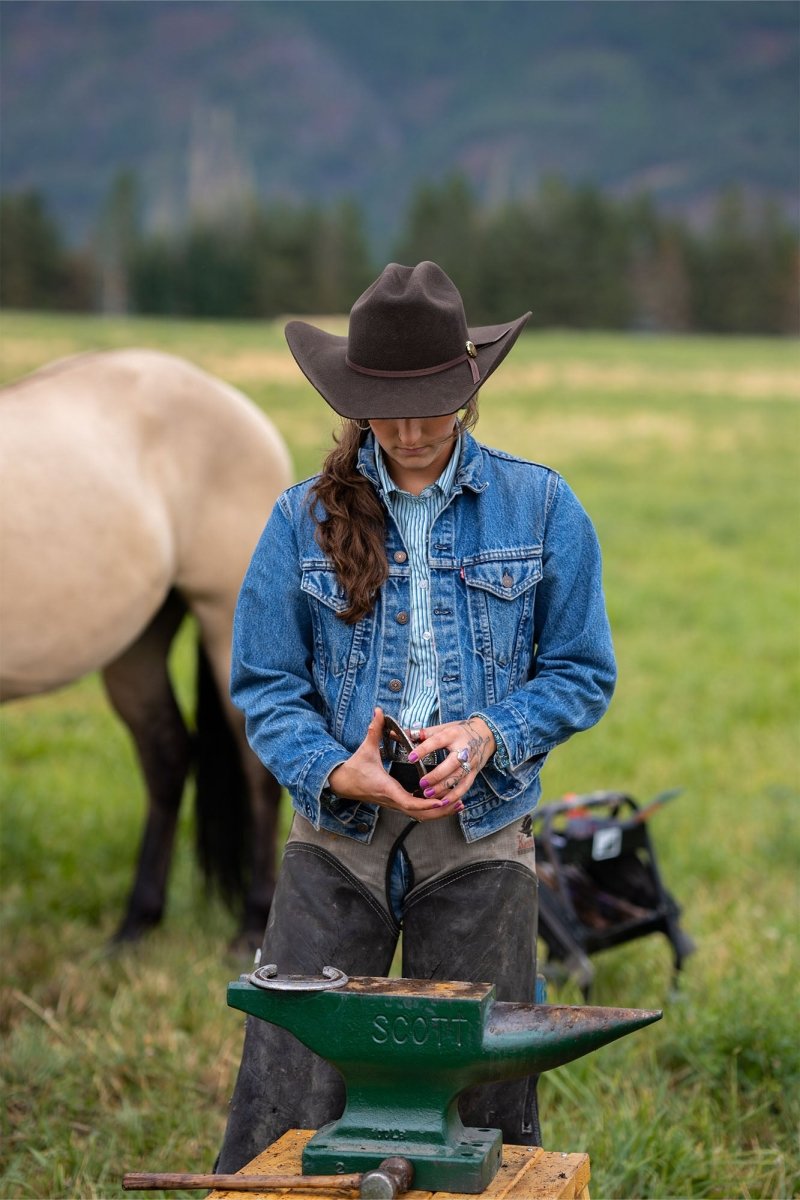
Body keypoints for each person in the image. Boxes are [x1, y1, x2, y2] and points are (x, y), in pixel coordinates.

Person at [216, 261, 616, 1171]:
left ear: (468, 389)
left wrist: (487, 735)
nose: (406, 430)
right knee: (290, 1083)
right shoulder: (298, 520)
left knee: (483, 1090)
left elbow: (582, 673)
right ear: (352, 400)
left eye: (431, 402)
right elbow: (266, 688)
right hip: (337, 834)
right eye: (382, 408)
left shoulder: (544, 506)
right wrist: (329, 768)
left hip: (481, 834)